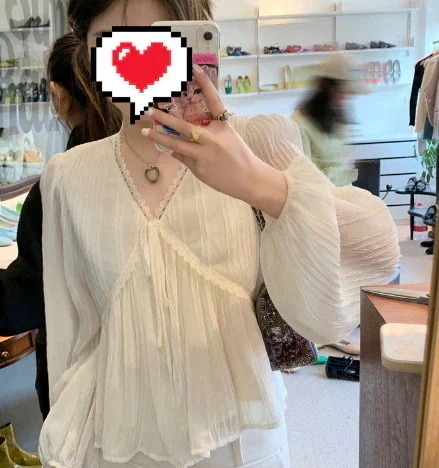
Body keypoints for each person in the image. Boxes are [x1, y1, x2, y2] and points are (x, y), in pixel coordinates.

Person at [37, 1, 399, 467]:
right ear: (89, 54)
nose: (142, 61)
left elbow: (377, 251)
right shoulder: (68, 175)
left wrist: (263, 186)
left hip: (243, 441)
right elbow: (73, 337)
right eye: (120, 45)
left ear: (197, 40)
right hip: (118, 443)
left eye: (161, 41)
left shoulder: (260, 141)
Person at [0, 33, 122, 420]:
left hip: (77, 379)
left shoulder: (59, 185)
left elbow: (20, 305)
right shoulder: (153, 165)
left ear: (57, 94)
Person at [292, 52, 364, 187]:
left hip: (344, 193)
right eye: (345, 92)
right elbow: (304, 179)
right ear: (330, 88)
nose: (348, 98)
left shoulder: (336, 117)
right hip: (322, 196)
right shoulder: (299, 124)